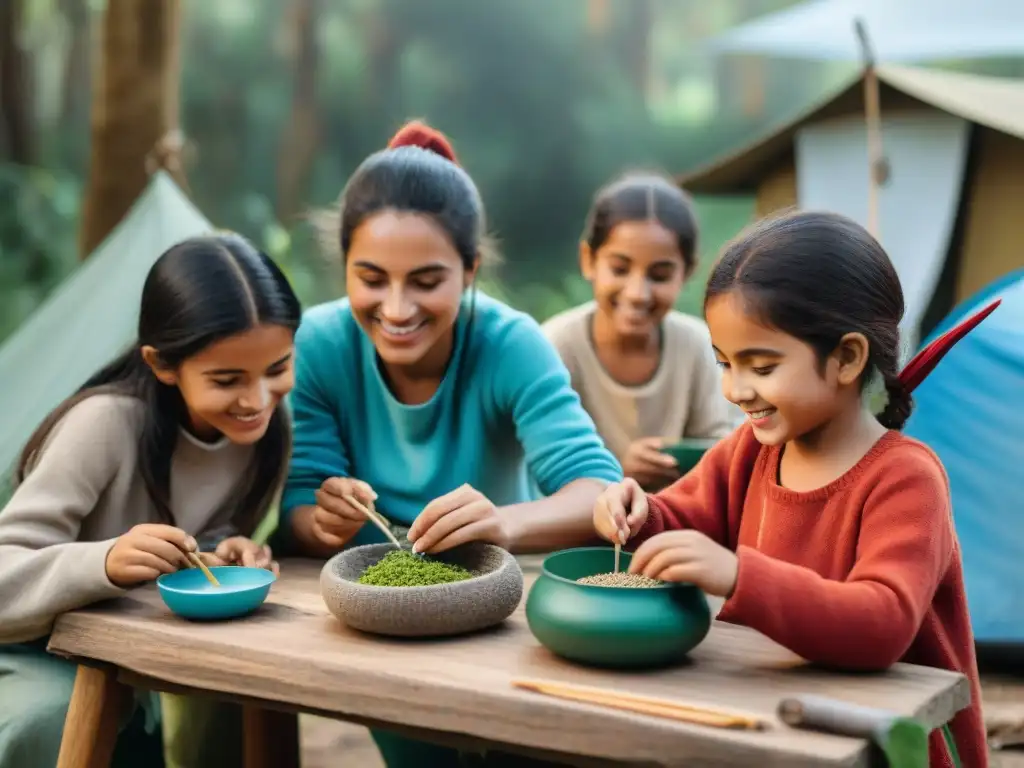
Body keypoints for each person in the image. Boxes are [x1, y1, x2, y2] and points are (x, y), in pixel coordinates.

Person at [275, 120, 621, 766]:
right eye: (371, 278)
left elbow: (598, 492)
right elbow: (298, 507)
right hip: (381, 618)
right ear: (344, 264)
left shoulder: (510, 345)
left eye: (427, 281)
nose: (398, 309)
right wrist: (321, 519)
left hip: (499, 605)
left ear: (470, 270)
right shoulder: (319, 347)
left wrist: (504, 523)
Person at [593, 210, 990, 768]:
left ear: (847, 358)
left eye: (761, 366)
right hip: (775, 726)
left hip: (882, 747)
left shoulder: (905, 479)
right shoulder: (751, 451)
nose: (735, 390)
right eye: (725, 363)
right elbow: (675, 519)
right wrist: (635, 513)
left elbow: (882, 624)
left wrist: (736, 574)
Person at [0, 233, 301, 768]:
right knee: (50, 720)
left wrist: (220, 549)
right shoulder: (104, 425)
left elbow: (200, 528)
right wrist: (105, 562)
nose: (257, 400)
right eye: (227, 379)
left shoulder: (264, 428)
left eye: (276, 368)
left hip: (122, 648)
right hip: (29, 650)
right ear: (163, 365)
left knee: (253, 689)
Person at [542, 171, 735, 491]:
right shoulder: (555, 346)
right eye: (619, 269)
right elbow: (539, 466)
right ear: (588, 260)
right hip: (583, 527)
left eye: (659, 275)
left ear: (687, 272)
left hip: (680, 520)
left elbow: (723, 448)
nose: (637, 293)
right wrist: (618, 472)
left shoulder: (699, 344)